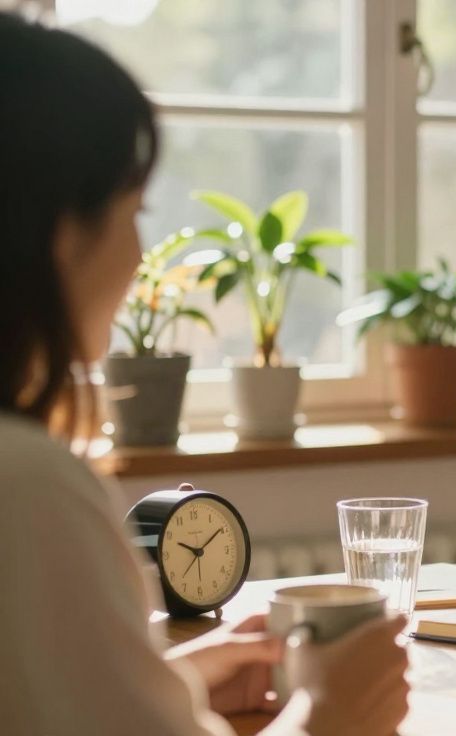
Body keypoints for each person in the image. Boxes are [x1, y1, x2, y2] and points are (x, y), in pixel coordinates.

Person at [0, 14, 410, 736]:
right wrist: (333, 715)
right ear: (61, 229)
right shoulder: (27, 484)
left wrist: (165, 684)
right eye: (134, 210)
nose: (139, 253)